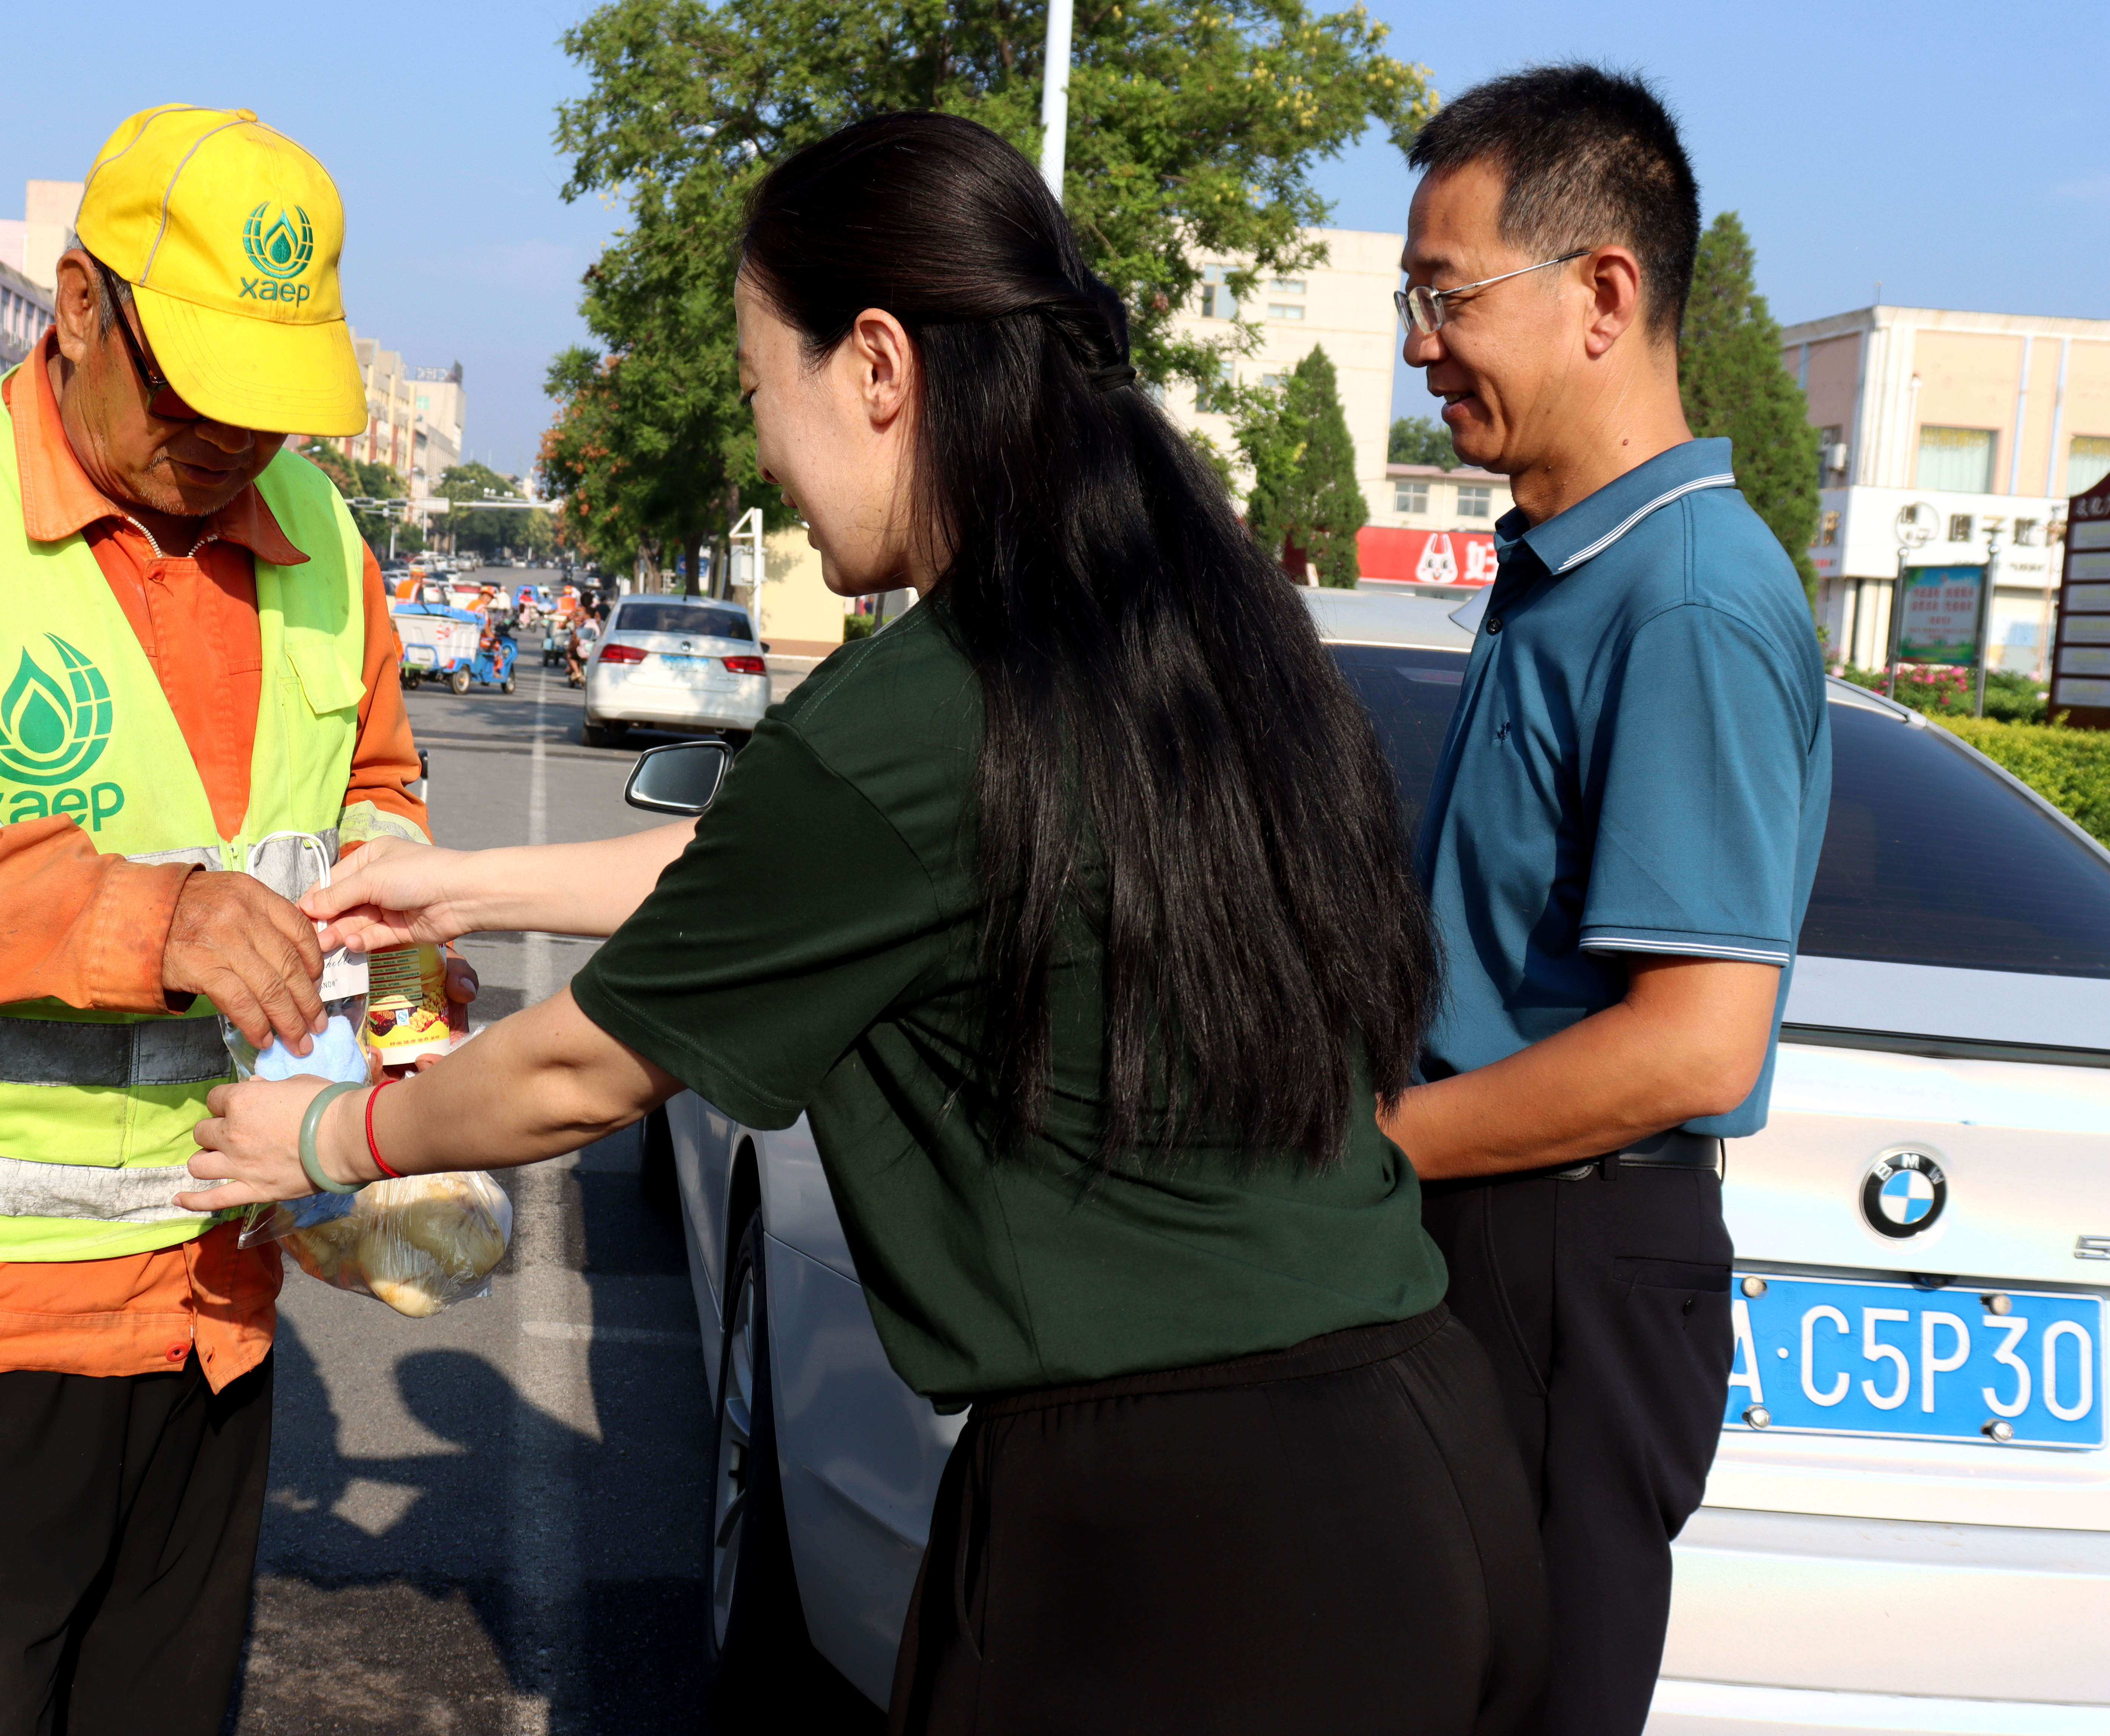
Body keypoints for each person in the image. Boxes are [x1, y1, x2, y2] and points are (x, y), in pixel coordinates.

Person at [193, 112, 1544, 1735]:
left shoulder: (930, 699)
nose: (766, 452)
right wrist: (464, 884)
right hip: (1420, 1451)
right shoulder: (1185, 628)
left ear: (880, 366)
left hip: (1181, 1546)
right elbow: (811, 881)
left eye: (767, 390)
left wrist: (328, 1136)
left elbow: (582, 1074)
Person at [0, 105, 429, 1734]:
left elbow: (378, 791)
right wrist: (138, 921)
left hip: (211, 1285)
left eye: (271, 403)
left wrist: (400, 1013)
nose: (237, 440)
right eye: (199, 391)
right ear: (79, 304)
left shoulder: (326, 540)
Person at [1371, 67, 1833, 1736]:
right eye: (1409, 300)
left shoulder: (1689, 596)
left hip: (1564, 1248)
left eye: (1446, 295)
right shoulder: (1571, 568)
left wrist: (1380, 1146)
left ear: (1603, 295)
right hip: (1494, 1224)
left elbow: (1696, 1050)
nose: (1421, 343)